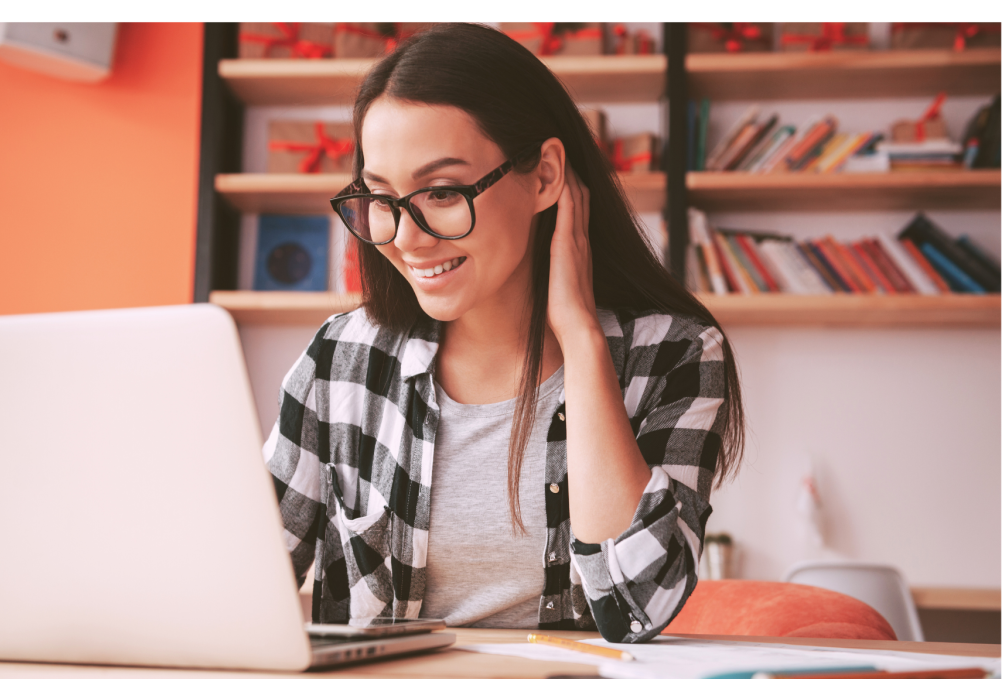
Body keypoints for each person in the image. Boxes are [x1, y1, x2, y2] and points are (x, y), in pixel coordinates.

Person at [262, 23, 744, 643]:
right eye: (382, 197)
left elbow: (639, 607)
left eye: (440, 191)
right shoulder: (341, 359)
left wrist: (581, 340)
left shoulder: (674, 353)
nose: (406, 237)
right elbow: (241, 584)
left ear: (543, 176)